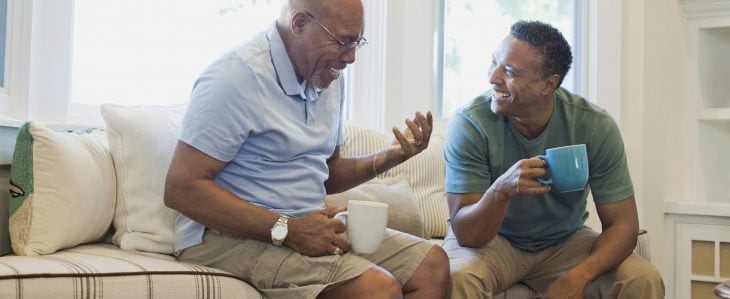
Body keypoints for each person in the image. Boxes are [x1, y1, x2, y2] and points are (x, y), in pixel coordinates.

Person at [163, 0, 450, 298]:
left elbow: (328, 172)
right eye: (343, 41)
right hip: (224, 238)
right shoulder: (237, 77)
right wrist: (288, 229)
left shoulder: (327, 75)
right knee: (377, 289)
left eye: (357, 42)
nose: (351, 57)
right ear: (300, 24)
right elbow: (181, 188)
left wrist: (391, 157)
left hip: (303, 225)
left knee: (431, 265)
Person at [443, 20, 664, 298]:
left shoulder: (593, 125)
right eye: (494, 62)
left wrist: (578, 276)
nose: (493, 77)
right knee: (458, 277)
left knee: (642, 278)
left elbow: (623, 225)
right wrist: (500, 192)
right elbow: (467, 235)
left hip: (565, 241)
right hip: (494, 243)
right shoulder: (471, 124)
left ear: (549, 84)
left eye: (509, 71)